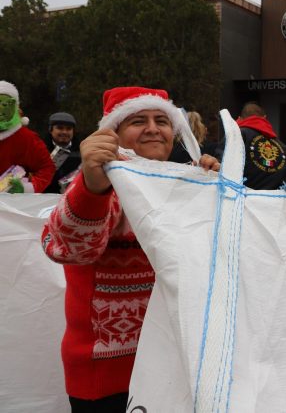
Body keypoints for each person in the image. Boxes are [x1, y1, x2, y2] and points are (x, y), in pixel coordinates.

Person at [41, 86, 220, 412]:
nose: (153, 129)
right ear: (113, 133)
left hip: (174, 366)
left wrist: (213, 190)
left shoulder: (184, 184)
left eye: (162, 121)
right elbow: (65, 248)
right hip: (106, 377)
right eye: (138, 121)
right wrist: (92, 188)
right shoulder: (103, 185)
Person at [217, 102, 286, 190]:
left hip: (240, 197)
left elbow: (219, 166)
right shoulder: (283, 148)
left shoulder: (236, 136)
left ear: (240, 118)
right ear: (265, 118)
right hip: (275, 198)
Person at [0, 80, 55, 193]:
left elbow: (46, 168)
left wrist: (27, 188)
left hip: (12, 202)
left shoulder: (27, 138)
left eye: (5, 105)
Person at [44, 112, 82, 193]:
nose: (64, 132)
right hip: (45, 197)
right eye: (60, 128)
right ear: (51, 130)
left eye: (68, 129)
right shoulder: (40, 149)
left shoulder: (82, 150)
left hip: (73, 196)